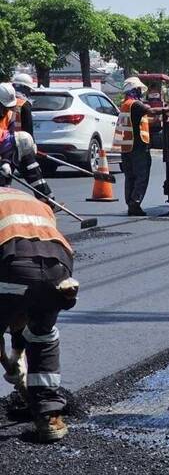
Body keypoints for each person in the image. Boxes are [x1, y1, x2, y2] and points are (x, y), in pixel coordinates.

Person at [0, 163, 78, 442]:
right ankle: (49, 417)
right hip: (59, 270)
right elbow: (22, 304)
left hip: (14, 266)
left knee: (15, 295)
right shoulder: (27, 199)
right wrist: (14, 354)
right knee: (43, 335)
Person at [113, 77, 169, 216]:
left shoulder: (125, 104)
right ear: (134, 90)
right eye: (139, 89)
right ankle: (135, 203)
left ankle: (130, 203)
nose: (141, 92)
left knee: (130, 177)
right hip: (138, 147)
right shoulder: (135, 104)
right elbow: (151, 111)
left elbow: (141, 120)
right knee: (141, 176)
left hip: (127, 147)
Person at [0, 82, 53, 201]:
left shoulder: (10, 113)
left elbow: (9, 141)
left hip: (13, 148)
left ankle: (48, 202)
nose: (6, 110)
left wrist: (6, 160)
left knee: (32, 170)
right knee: (3, 181)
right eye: (4, 107)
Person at [11, 73, 35, 138]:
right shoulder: (24, 104)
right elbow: (28, 129)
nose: (29, 92)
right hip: (18, 140)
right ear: (25, 88)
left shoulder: (3, 100)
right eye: (29, 89)